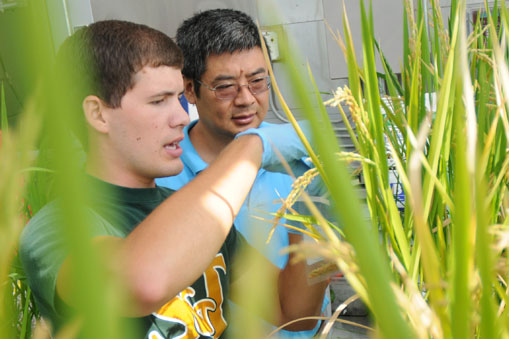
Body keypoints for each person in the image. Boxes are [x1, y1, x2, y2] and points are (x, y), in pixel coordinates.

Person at [19, 20, 328, 338]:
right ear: (98, 114)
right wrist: (251, 147)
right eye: (158, 101)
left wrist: (312, 223)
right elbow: (140, 283)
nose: (181, 117)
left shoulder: (193, 212)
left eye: (179, 98)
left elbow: (292, 312)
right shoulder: (58, 226)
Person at [156, 9, 329, 337]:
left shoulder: (299, 158)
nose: (247, 99)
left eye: (258, 81)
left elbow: (306, 307)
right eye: (225, 88)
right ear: (190, 90)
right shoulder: (165, 177)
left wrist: (326, 234)